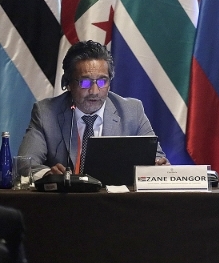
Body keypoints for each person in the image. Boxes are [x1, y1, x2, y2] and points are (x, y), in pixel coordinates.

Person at [18, 40, 166, 180]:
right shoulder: (46, 113)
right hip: (66, 203)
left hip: (116, 202)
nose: (95, 91)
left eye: (102, 81)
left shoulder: (132, 111)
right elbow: (24, 164)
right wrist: (47, 174)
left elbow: (158, 158)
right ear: (68, 83)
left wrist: (157, 166)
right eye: (85, 82)